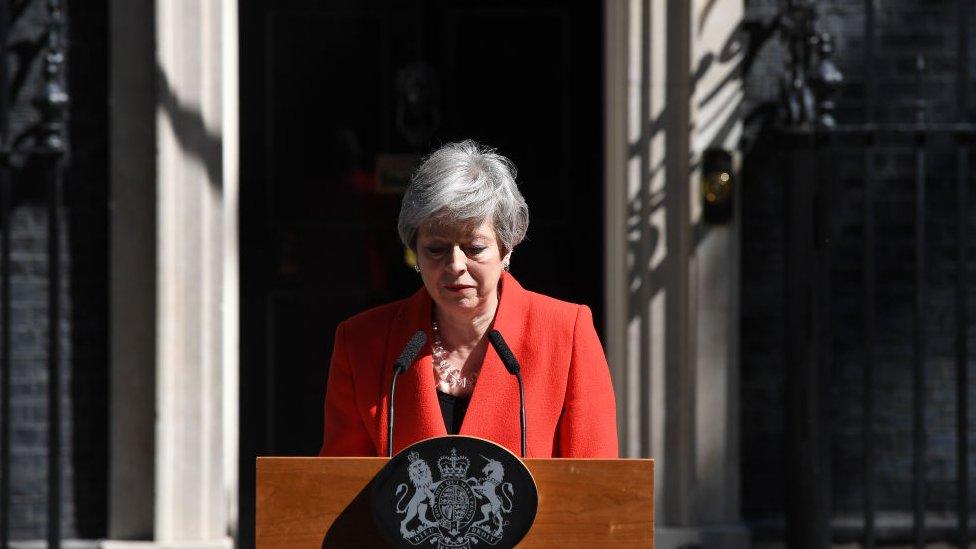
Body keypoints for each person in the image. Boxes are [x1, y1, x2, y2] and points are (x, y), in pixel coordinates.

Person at [319, 140, 617, 458]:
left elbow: (595, 487)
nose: (455, 265)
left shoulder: (565, 333)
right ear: (415, 252)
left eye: (474, 248)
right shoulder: (362, 342)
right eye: (436, 248)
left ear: (506, 248)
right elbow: (339, 487)